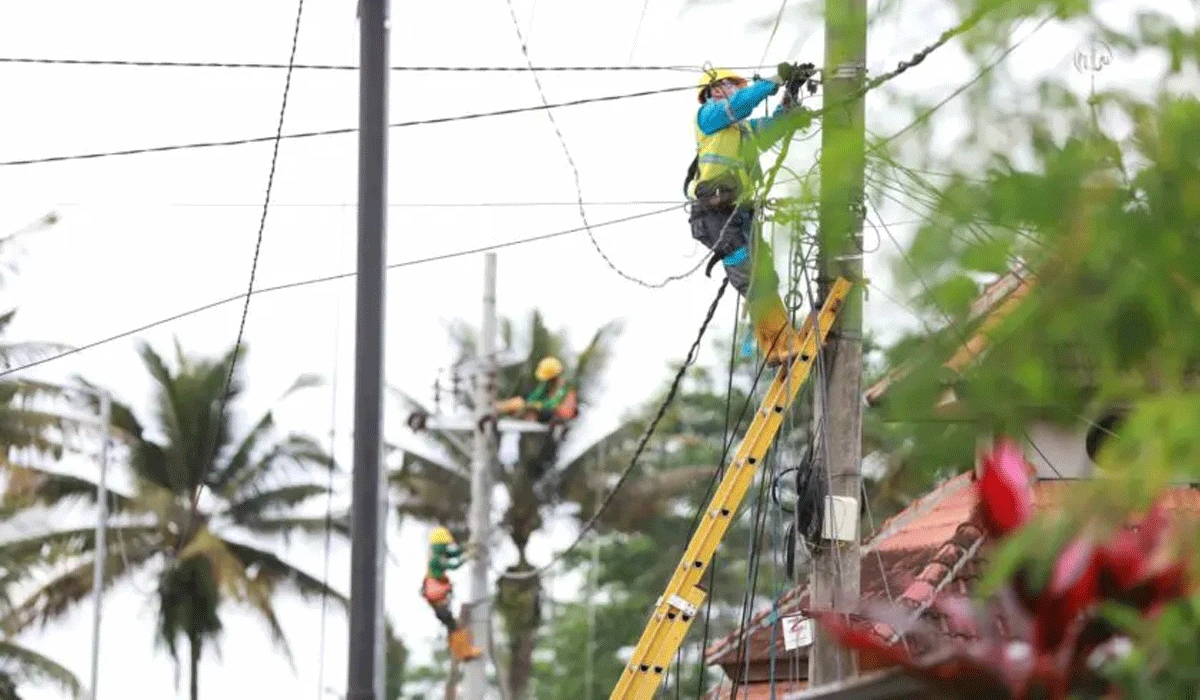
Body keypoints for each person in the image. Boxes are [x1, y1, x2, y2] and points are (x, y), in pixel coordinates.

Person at [686, 66, 809, 365]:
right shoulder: (708, 117)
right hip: (713, 215)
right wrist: (773, 82)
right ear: (715, 90)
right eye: (733, 85)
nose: (737, 90)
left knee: (763, 275)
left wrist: (791, 94)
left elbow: (774, 126)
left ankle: (777, 344)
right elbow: (740, 105)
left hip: (739, 212)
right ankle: (778, 344)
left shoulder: (743, 132)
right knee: (749, 274)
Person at [420, 526, 482, 661]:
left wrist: (466, 548)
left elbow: (454, 553)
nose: (446, 547)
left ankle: (464, 652)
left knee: (453, 626)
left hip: (439, 599)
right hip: (438, 602)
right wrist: (468, 556)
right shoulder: (436, 560)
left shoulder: (438, 555)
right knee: (453, 627)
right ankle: (464, 652)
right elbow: (454, 565)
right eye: (445, 544)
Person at [495, 356, 578, 424]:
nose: (548, 380)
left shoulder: (565, 389)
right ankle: (498, 407)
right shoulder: (545, 385)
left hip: (555, 420)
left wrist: (534, 406)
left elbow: (553, 405)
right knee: (519, 402)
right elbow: (533, 397)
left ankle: (499, 408)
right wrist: (525, 404)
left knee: (528, 409)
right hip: (541, 415)